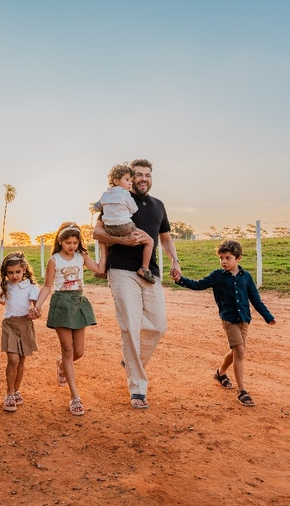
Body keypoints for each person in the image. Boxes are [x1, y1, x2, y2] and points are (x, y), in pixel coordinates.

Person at [92, 159, 181, 409]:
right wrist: (124, 241)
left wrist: (175, 260)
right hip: (121, 269)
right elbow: (96, 233)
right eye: (138, 175)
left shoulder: (158, 206)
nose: (143, 178)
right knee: (130, 326)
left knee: (158, 325)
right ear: (130, 178)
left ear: (151, 178)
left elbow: (164, 238)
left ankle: (130, 361)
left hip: (149, 271)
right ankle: (138, 389)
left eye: (147, 175)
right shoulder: (118, 199)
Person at [173, 239, 276, 407]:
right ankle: (242, 390)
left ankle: (220, 374)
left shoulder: (246, 277)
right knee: (240, 351)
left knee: (236, 351)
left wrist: (267, 316)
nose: (224, 261)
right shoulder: (217, 276)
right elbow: (198, 285)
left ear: (238, 258)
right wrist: (180, 280)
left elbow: (255, 299)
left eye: (228, 258)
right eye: (221, 258)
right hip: (228, 319)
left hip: (244, 320)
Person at [34, 222, 102, 417]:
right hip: (62, 303)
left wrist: (104, 246)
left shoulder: (81, 257)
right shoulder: (54, 260)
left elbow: (99, 269)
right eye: (68, 242)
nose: (72, 246)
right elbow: (47, 286)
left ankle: (61, 364)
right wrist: (38, 305)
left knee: (78, 352)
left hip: (79, 302)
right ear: (60, 242)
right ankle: (75, 398)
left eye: (75, 242)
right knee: (68, 349)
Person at [0, 252, 39, 413]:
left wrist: (35, 310)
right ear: (6, 273)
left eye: (17, 272)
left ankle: (16, 390)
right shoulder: (6, 286)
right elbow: (3, 301)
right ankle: (9, 393)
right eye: (10, 273)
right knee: (13, 359)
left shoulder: (31, 287)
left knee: (21, 360)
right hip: (9, 324)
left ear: (24, 269)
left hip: (25, 324)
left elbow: (37, 306)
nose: (14, 276)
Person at [94, 163, 156, 283]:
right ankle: (145, 268)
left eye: (131, 181)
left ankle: (103, 267)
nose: (130, 183)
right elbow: (134, 209)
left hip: (109, 228)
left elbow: (97, 207)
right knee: (149, 241)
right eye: (127, 180)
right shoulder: (125, 194)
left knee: (108, 243)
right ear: (116, 181)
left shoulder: (105, 194)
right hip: (124, 226)